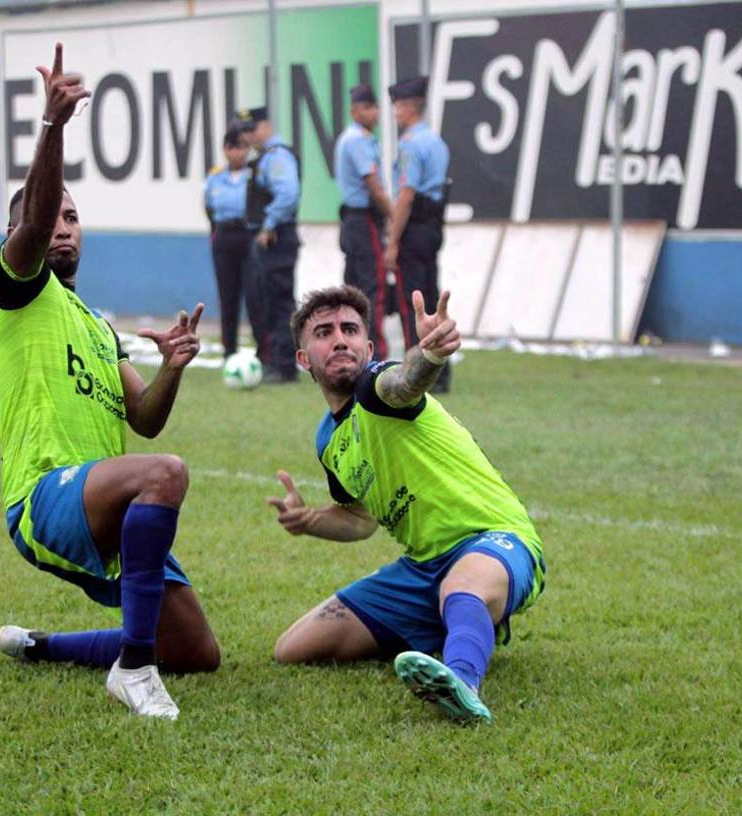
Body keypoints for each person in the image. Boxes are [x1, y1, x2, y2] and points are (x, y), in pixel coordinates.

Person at [0, 44, 220, 719]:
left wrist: (172, 370)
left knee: (198, 651)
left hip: (104, 508)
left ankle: (45, 646)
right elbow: (32, 221)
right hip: (43, 498)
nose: (61, 229)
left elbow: (145, 417)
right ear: (16, 236)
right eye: (48, 218)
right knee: (165, 473)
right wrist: (55, 126)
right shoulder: (20, 291)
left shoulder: (95, 323)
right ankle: (135, 670)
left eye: (72, 218)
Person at [267, 285, 546, 724]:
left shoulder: (376, 387)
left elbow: (404, 384)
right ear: (304, 358)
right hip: (423, 568)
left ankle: (462, 681)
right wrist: (309, 521)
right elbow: (359, 520)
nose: (340, 338)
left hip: (496, 540)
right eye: (323, 332)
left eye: (350, 329)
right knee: (293, 648)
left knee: (463, 587)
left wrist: (430, 355)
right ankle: (456, 623)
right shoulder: (328, 439)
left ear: (369, 346)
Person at [384, 76, 451, 393]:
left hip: (413, 231)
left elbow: (406, 195)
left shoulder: (410, 143)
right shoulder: (436, 141)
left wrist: (393, 242)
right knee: (434, 301)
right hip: (433, 226)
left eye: (397, 106)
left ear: (409, 106)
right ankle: (441, 369)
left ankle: (418, 371)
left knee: (414, 302)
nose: (395, 113)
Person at [238, 105, 301, 383]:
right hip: (269, 238)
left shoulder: (277, 157)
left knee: (279, 302)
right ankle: (276, 360)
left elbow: (288, 194)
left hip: (276, 238)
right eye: (245, 131)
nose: (249, 136)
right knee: (267, 300)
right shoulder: (264, 157)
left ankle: (284, 365)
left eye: (252, 129)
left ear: (266, 126)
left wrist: (269, 225)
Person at [334, 83, 393, 358]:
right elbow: (374, 186)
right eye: (368, 107)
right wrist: (394, 217)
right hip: (363, 220)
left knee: (354, 287)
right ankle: (376, 352)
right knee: (372, 287)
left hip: (352, 220)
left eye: (376, 106)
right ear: (354, 111)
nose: (376, 113)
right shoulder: (358, 140)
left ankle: (354, 348)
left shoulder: (354, 137)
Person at [204, 124, 252, 357]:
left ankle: (262, 350)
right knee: (227, 295)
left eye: (242, 148)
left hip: (247, 234)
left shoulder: (253, 175)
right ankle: (229, 349)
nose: (238, 153)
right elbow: (209, 208)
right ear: (225, 150)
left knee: (254, 294)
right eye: (233, 148)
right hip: (224, 236)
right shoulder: (215, 177)